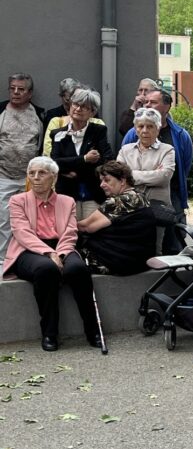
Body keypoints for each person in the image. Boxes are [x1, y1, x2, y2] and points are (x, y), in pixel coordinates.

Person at [1, 156, 100, 352]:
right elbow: (22, 233)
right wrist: (48, 253)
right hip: (27, 250)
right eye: (32, 173)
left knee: (78, 269)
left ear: (53, 177)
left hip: (61, 245)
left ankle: (93, 330)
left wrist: (61, 254)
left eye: (42, 173)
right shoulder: (17, 200)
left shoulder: (66, 201)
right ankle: (49, 332)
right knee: (46, 270)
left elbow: (70, 232)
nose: (36, 177)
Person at [121, 88, 193, 254]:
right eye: (146, 101)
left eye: (153, 102)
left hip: (170, 195)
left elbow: (183, 167)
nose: (147, 105)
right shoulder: (133, 133)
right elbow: (123, 171)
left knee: (172, 239)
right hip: (136, 194)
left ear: (167, 107)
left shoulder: (181, 135)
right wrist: (153, 175)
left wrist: (141, 175)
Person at [76, 161, 156, 275]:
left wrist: (61, 223)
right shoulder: (140, 196)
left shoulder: (118, 201)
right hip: (141, 261)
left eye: (107, 180)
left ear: (122, 181)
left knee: (70, 256)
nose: (101, 184)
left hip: (118, 262)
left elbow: (86, 227)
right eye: (101, 181)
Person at [0, 73, 45, 262]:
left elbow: (42, 145)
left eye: (21, 89)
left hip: (31, 178)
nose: (16, 92)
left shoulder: (40, 114)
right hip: (4, 176)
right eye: (12, 88)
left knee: (32, 220)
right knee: (4, 220)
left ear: (30, 93)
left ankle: (26, 257)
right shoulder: (1, 111)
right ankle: (3, 259)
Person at [48, 88, 112, 219]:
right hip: (66, 192)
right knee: (69, 231)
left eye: (84, 107)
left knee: (91, 233)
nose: (78, 109)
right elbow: (54, 163)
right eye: (75, 104)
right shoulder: (57, 133)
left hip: (93, 192)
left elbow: (107, 160)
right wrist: (84, 159)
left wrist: (68, 167)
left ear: (92, 112)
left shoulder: (99, 131)